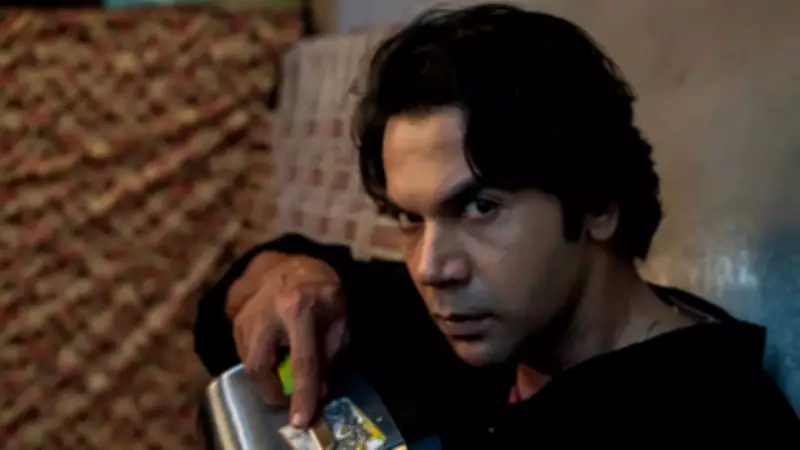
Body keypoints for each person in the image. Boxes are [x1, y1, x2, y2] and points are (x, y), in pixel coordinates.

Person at [194, 4, 800, 448]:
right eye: (409, 218)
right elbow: (221, 323)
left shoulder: (714, 420)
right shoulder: (473, 321)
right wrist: (289, 276)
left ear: (598, 203)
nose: (431, 267)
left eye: (480, 207)